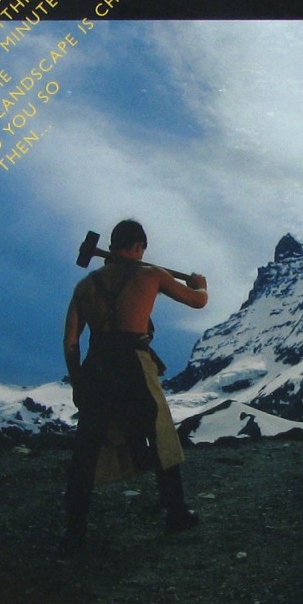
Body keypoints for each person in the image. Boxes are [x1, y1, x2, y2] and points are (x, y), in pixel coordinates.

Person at [62, 219, 209, 549]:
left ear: (111, 246)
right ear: (139, 247)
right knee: (160, 435)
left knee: (87, 447)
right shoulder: (151, 275)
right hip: (134, 363)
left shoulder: (85, 286)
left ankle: (74, 531)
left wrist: (78, 382)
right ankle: (176, 513)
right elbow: (198, 302)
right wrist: (200, 285)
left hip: (97, 365)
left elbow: (71, 342)